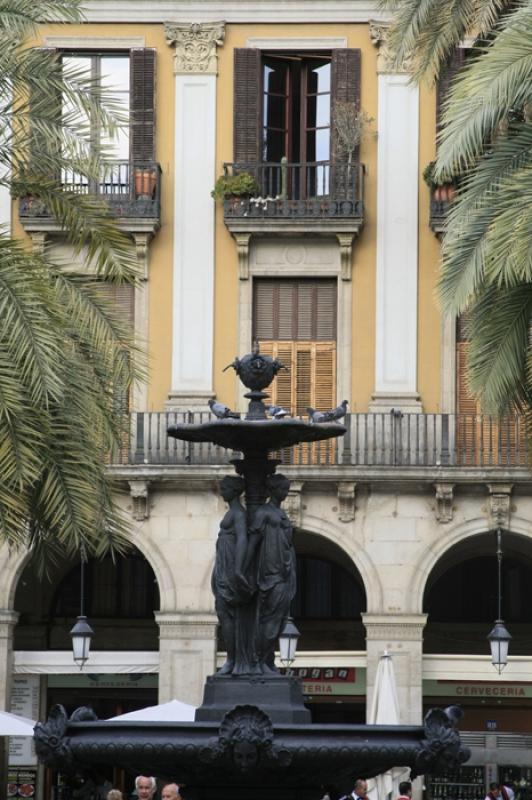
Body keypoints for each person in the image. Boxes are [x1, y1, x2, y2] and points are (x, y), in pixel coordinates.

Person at [247, 473, 297, 672]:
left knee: (278, 620)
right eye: (283, 489)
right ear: (273, 490)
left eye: (286, 489)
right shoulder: (264, 512)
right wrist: (243, 568)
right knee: (269, 620)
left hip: (284, 573)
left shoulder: (280, 513)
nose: (285, 493)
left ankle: (265, 661)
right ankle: (257, 661)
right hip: (271, 575)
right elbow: (253, 542)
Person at [211, 475, 255, 675]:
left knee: (228, 614)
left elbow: (243, 539)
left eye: (225, 487)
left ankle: (233, 659)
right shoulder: (233, 512)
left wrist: (238, 569)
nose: (222, 490)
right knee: (223, 615)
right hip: (223, 566)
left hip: (230, 568)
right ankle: (232, 658)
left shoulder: (239, 513)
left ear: (234, 491)